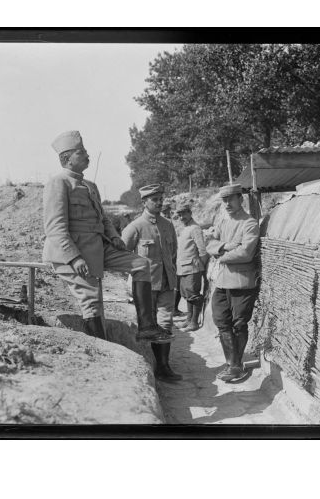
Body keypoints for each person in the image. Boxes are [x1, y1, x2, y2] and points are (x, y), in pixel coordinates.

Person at [42, 130, 173, 344]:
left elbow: (103, 219)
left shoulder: (90, 186)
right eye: (81, 152)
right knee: (92, 301)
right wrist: (74, 258)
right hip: (72, 252)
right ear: (67, 159)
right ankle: (102, 348)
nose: (87, 155)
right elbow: (55, 227)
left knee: (141, 264)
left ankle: (147, 326)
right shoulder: (58, 183)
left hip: (98, 247)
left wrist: (114, 237)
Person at [122, 184, 183, 382]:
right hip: (145, 285)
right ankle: (149, 363)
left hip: (167, 281)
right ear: (144, 202)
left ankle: (164, 366)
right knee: (148, 326)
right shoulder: (135, 227)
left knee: (166, 322)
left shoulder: (168, 224)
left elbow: (173, 253)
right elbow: (123, 254)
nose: (159, 202)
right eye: (154, 199)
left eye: (160, 198)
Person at [206, 183, 260, 382]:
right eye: (224, 200)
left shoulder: (249, 223)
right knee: (221, 321)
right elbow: (209, 244)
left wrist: (220, 255)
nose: (227, 204)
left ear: (241, 199)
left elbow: (246, 253)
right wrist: (227, 247)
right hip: (222, 281)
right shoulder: (223, 222)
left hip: (241, 282)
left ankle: (235, 366)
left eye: (231, 199)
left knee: (238, 324)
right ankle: (233, 364)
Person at [175, 201, 208, 332]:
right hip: (183, 268)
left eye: (184, 214)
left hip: (193, 268)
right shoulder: (185, 228)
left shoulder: (195, 228)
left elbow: (203, 251)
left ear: (190, 213)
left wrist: (201, 267)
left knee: (193, 295)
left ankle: (194, 322)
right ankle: (189, 319)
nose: (182, 217)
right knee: (186, 294)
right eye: (179, 215)